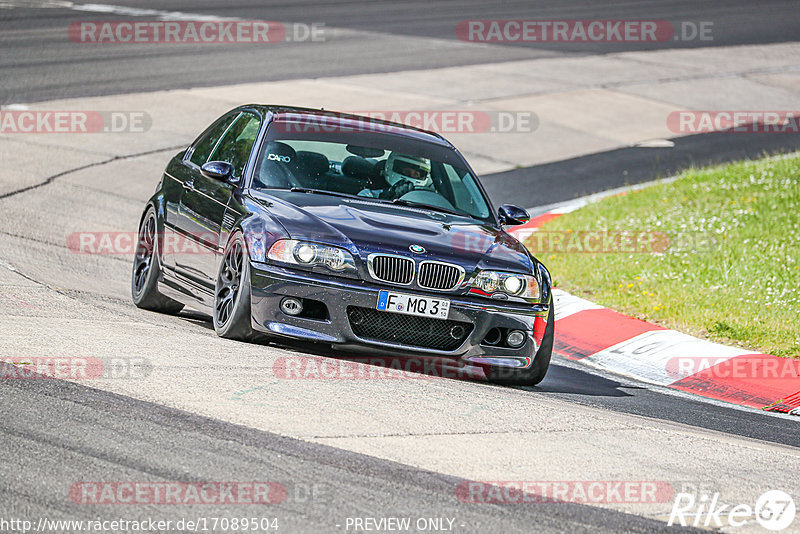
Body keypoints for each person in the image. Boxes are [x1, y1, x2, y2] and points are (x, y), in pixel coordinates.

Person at [359, 153, 433, 199]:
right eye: (406, 172)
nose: (411, 176)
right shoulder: (368, 195)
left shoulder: (427, 201)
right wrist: (386, 199)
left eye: (416, 174)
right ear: (389, 166)